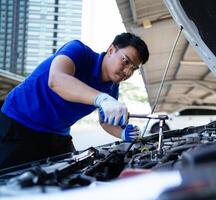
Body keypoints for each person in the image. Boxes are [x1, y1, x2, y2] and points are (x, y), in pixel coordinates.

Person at [0, 32, 149, 169]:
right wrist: (100, 98)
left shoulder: (112, 88)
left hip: (57, 135)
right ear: (111, 50)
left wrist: (122, 134)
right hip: (18, 123)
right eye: (126, 61)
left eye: (134, 68)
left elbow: (105, 121)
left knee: (73, 177)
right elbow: (56, 80)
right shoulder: (78, 51)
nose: (128, 72)